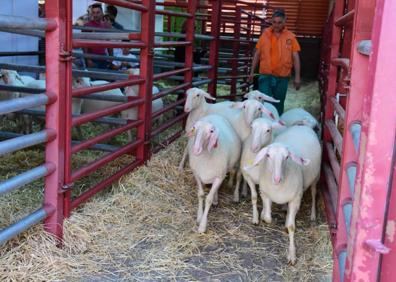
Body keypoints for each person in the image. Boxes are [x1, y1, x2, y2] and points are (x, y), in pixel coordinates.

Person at [248, 9, 301, 115]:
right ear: (271, 21)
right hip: (265, 76)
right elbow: (257, 54)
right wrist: (251, 72)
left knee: (279, 102)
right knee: (265, 102)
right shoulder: (265, 35)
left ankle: (277, 123)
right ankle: (263, 124)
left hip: (282, 77)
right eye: (274, 22)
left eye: (279, 22)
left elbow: (296, 57)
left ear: (285, 21)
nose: (276, 25)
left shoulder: (291, 37)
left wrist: (297, 77)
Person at [83, 3, 111, 69]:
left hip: (104, 57)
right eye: (93, 12)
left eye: (98, 12)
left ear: (102, 13)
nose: (95, 15)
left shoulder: (106, 26)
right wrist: (88, 60)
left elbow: (109, 42)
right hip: (92, 58)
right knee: (94, 78)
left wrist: (111, 57)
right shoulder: (87, 26)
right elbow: (84, 44)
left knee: (104, 78)